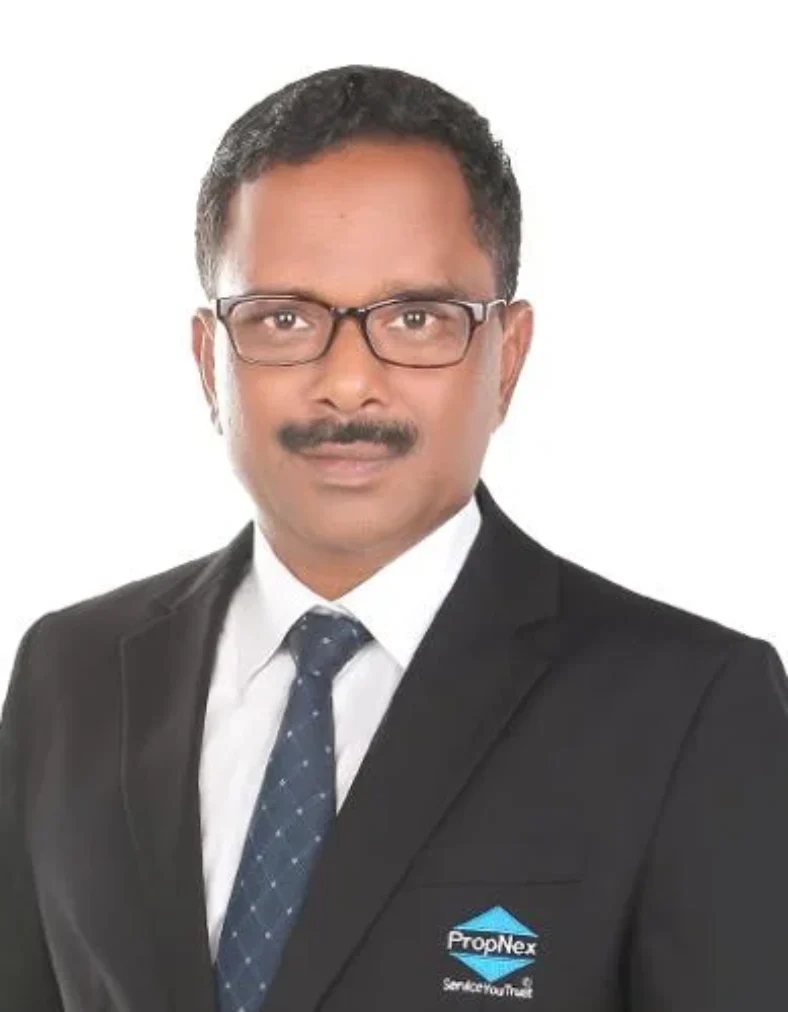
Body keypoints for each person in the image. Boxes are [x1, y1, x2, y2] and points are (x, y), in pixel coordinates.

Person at [2, 63, 787, 1012]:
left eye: (417, 318)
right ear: (211, 360)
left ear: (507, 357)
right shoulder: (71, 675)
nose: (347, 384)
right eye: (284, 317)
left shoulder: (689, 708)